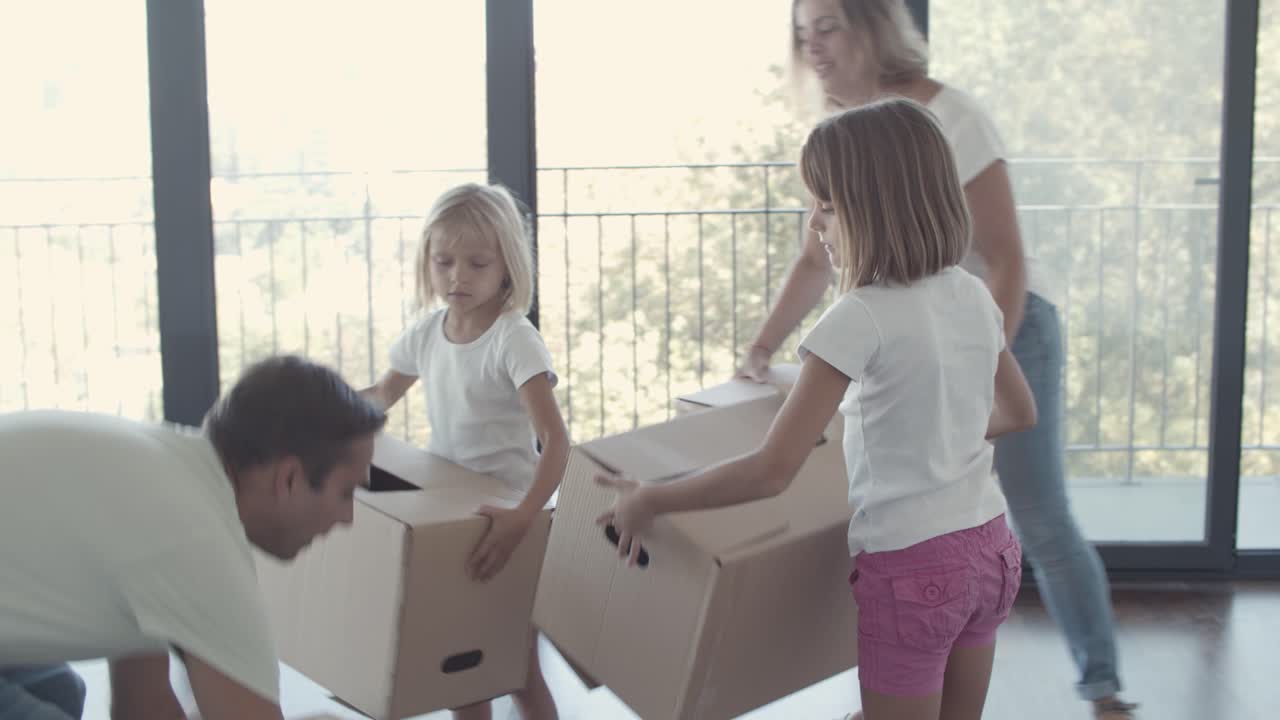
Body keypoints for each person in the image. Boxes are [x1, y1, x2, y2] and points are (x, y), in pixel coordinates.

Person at [738, 2, 1136, 718]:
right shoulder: (848, 141)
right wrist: (762, 348)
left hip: (997, 321)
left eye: (828, 27)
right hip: (929, 333)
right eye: (802, 34)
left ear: (872, 27)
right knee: (951, 537)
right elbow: (814, 261)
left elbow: (1006, 259)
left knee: (1041, 517)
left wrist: (961, 369)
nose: (813, 47)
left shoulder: (951, 117)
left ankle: (1102, 686)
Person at [599, 98, 1035, 720]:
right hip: (991, 548)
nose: (814, 224)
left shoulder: (858, 317)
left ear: (876, 208)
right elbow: (1018, 412)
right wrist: (930, 429)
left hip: (914, 567)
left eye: (827, 206)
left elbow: (771, 470)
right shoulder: (971, 294)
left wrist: (650, 499)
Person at [0, 354, 388, 720]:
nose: (347, 518)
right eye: (345, 493)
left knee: (59, 693)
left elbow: (143, 706)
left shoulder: (168, 478)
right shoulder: (196, 542)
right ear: (290, 479)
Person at [362, 183, 568, 720]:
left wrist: (525, 515)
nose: (458, 276)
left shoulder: (514, 339)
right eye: (444, 262)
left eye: (477, 263)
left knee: (518, 668)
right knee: (459, 669)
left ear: (507, 268)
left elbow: (557, 441)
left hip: (510, 518)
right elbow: (381, 395)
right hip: (451, 518)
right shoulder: (427, 333)